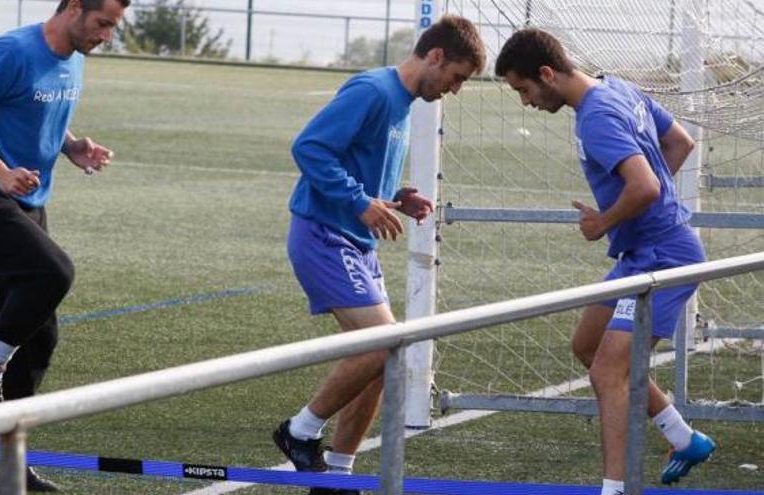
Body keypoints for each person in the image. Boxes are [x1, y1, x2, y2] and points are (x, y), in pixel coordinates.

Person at [272, 15, 486, 495]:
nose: (454, 89)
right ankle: (299, 431)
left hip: (355, 242)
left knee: (387, 354)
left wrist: (393, 194)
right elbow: (309, 148)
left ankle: (338, 475)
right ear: (435, 56)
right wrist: (358, 201)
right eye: (456, 77)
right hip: (324, 234)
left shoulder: (403, 102)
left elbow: (356, 162)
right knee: (383, 343)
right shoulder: (373, 90)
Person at [494, 28, 714, 494]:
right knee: (588, 344)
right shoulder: (616, 86)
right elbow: (679, 143)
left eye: (524, 89)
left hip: (665, 259)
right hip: (643, 252)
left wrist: (606, 221)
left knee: (607, 372)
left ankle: (614, 489)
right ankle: (682, 437)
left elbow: (647, 187)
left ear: (547, 74)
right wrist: (634, 209)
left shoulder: (596, 118)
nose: (525, 102)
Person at [0, 0, 129, 490]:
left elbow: (34, 109)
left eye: (113, 26)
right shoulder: (13, 50)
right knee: (54, 272)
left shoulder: (76, 58)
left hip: (27, 201)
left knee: (40, 336)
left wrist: (72, 146)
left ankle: (1, 455)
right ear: (73, 9)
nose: (106, 35)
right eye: (103, 22)